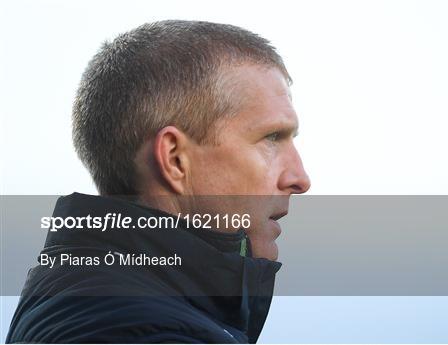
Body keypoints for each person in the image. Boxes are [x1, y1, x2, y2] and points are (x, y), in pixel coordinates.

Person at [6, 20, 310, 343]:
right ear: (175, 158)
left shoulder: (95, 301)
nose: (300, 178)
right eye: (271, 138)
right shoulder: (133, 329)